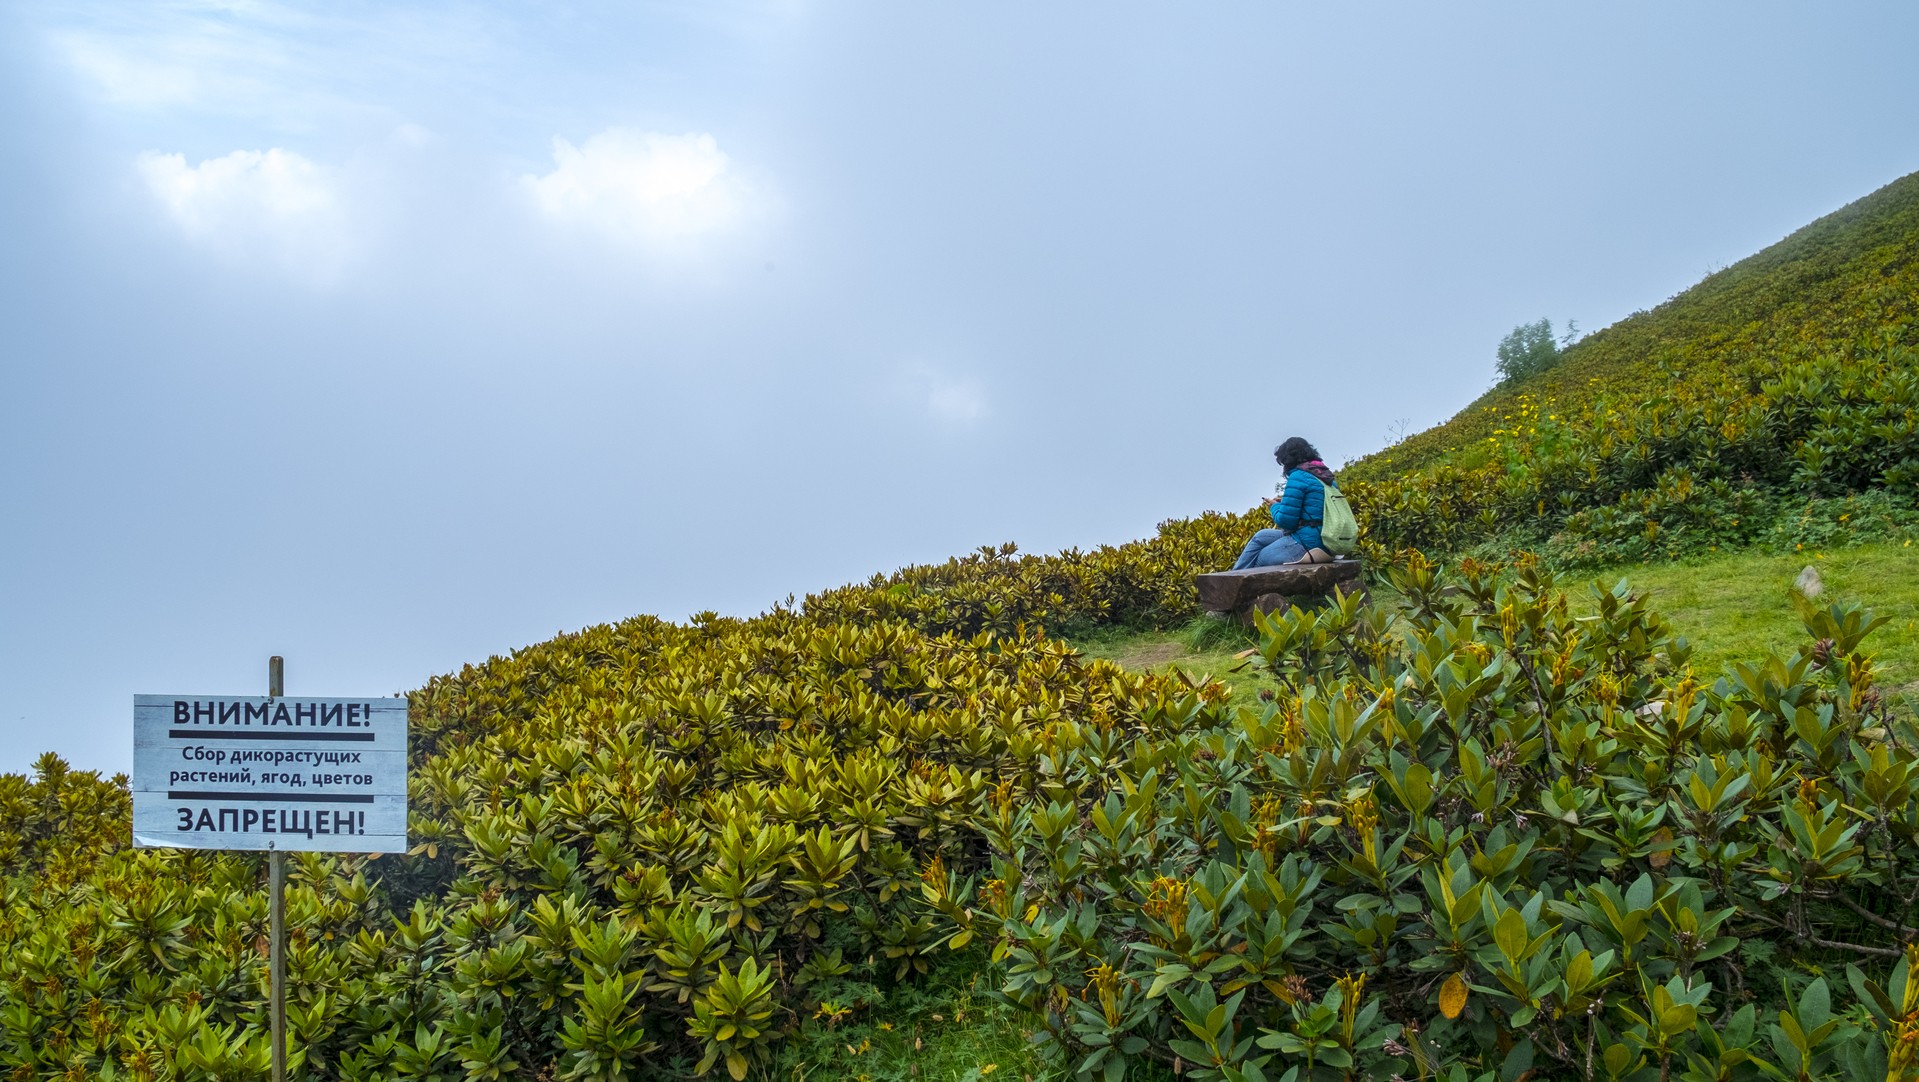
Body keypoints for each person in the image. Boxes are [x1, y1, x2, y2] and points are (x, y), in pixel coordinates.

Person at [1232, 437, 1339, 569]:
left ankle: (1236, 584)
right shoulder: (1325, 478)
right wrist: (1285, 502)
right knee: (1261, 536)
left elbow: (1286, 522)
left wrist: (1274, 506)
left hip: (1309, 543)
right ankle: (1233, 577)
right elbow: (1314, 507)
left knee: (1261, 558)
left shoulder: (1298, 477)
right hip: (1326, 537)